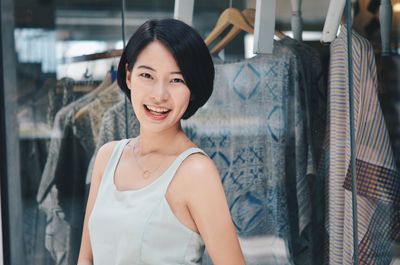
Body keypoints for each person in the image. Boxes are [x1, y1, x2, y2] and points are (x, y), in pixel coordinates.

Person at [77, 18, 246, 265]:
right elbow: (85, 259)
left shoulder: (195, 172)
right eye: (147, 75)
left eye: (176, 80)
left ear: (193, 90)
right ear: (129, 76)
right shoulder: (107, 156)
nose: (159, 95)